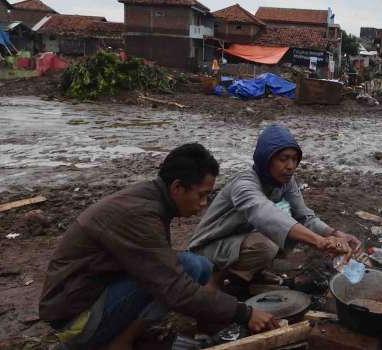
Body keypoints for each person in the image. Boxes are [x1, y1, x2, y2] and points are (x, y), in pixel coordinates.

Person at [39, 143, 277, 350]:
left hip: (88, 298)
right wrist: (243, 313)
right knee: (188, 268)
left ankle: (127, 334)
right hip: (76, 322)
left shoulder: (149, 197)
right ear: (177, 188)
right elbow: (175, 288)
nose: (204, 204)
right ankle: (119, 342)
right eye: (201, 195)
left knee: (199, 266)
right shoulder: (139, 214)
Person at [188, 124, 361, 287]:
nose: (290, 166)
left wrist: (334, 233)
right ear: (266, 159)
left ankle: (250, 276)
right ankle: (216, 281)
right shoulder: (244, 184)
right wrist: (319, 241)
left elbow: (304, 215)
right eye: (283, 159)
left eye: (294, 159)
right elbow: (264, 214)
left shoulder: (285, 181)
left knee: (284, 234)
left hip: (236, 240)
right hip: (207, 249)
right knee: (268, 243)